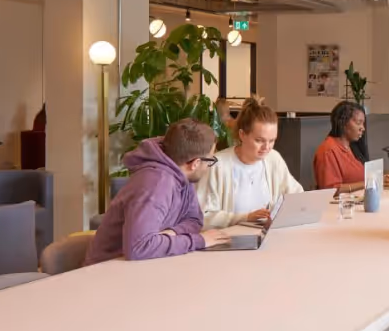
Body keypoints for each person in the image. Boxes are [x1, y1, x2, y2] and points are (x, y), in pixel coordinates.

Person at [85, 119, 230, 265]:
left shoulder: (181, 174)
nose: (209, 167)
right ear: (195, 163)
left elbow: (194, 220)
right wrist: (199, 241)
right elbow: (139, 247)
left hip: (144, 264)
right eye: (210, 160)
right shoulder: (155, 184)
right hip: (107, 270)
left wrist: (172, 233)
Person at [197, 96, 303, 229]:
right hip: (228, 242)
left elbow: (296, 195)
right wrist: (244, 218)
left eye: (272, 140)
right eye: (259, 140)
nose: (267, 147)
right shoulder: (217, 165)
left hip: (266, 238)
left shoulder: (273, 159)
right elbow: (201, 216)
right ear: (242, 135)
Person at [314, 100, 367, 191]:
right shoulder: (328, 151)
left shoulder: (351, 147)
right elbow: (331, 190)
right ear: (343, 123)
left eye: (363, 123)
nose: (363, 128)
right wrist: (366, 184)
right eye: (359, 123)